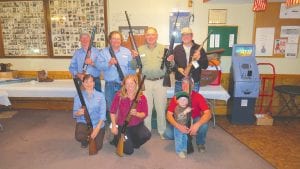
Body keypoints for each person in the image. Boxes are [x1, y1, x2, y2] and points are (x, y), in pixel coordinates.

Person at [132, 27, 168, 139]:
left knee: (161, 107)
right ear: (145, 37)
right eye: (148, 35)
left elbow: (171, 66)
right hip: (145, 82)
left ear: (156, 36)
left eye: (153, 35)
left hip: (160, 81)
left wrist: (171, 60)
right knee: (146, 107)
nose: (150, 37)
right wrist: (134, 58)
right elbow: (134, 66)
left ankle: (162, 131)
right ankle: (147, 131)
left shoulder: (164, 49)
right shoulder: (139, 49)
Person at [165, 77, 212, 157]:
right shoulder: (177, 97)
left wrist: (197, 125)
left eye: (188, 83)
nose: (185, 85)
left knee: (204, 125)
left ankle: (200, 143)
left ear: (193, 85)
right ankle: (183, 136)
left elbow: (208, 114)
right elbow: (168, 114)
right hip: (180, 120)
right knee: (168, 134)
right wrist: (178, 126)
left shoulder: (198, 96)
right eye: (183, 83)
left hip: (194, 120)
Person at [96, 31, 135, 122]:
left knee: (124, 107)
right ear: (110, 40)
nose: (116, 40)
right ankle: (113, 127)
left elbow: (131, 69)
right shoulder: (103, 52)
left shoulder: (127, 52)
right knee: (111, 108)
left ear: (121, 40)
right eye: (113, 38)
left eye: (118, 38)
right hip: (110, 85)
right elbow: (98, 66)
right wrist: (108, 63)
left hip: (124, 85)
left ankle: (123, 128)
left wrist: (128, 81)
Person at [109, 75, 151, 155]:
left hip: (137, 125)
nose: (129, 86)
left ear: (136, 84)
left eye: (131, 83)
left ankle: (130, 142)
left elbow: (145, 113)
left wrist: (137, 114)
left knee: (146, 135)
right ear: (124, 85)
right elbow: (112, 111)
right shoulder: (119, 95)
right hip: (123, 126)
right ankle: (117, 139)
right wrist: (114, 125)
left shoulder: (142, 97)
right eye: (127, 84)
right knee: (129, 151)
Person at [72, 74, 106, 150]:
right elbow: (74, 114)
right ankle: (86, 140)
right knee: (79, 136)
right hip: (84, 122)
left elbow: (103, 115)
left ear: (94, 83)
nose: (89, 84)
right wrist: (78, 113)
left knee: (98, 146)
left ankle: (92, 137)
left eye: (91, 82)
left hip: (97, 123)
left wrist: (96, 129)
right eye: (86, 82)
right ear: (83, 83)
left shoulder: (101, 96)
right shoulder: (78, 97)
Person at [171, 27, 208, 93]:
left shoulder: (199, 48)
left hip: (194, 82)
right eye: (183, 35)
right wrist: (177, 68)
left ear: (192, 35)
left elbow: (205, 66)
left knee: (193, 103)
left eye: (187, 34)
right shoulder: (177, 49)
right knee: (178, 102)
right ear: (181, 36)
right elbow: (172, 64)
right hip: (179, 82)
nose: (185, 36)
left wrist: (199, 59)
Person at [172, 91, 192, 158]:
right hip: (178, 127)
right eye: (181, 100)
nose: (183, 101)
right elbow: (179, 117)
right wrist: (185, 112)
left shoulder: (186, 107)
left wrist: (191, 124)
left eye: (185, 100)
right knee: (179, 139)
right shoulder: (177, 108)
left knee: (184, 137)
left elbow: (189, 117)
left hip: (185, 125)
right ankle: (179, 151)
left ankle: (184, 148)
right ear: (177, 101)